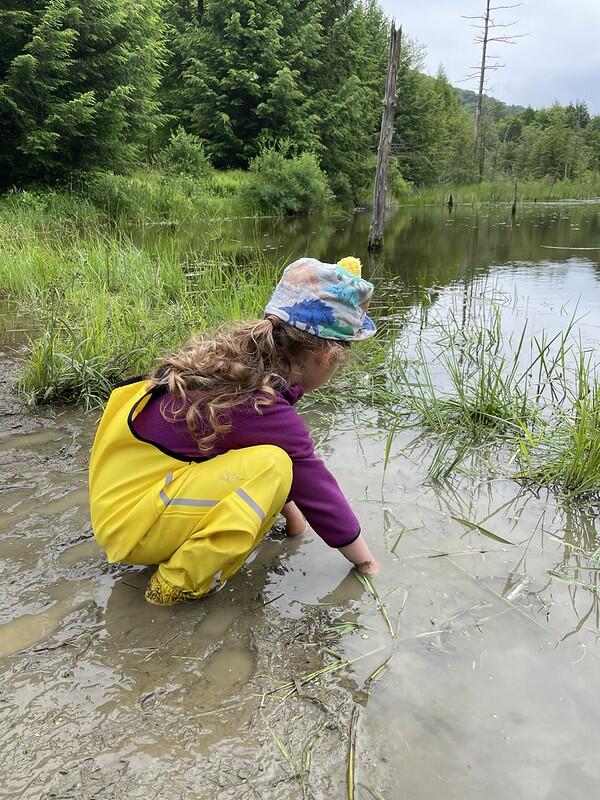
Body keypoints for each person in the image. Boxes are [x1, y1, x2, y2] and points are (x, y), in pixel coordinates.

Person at [88, 256, 380, 606]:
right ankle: (174, 585)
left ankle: (170, 546)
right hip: (131, 524)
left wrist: (292, 519)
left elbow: (245, 442)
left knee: (273, 462)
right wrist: (365, 561)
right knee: (274, 465)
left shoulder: (240, 368)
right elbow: (317, 490)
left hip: (124, 499)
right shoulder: (261, 404)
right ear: (325, 355)